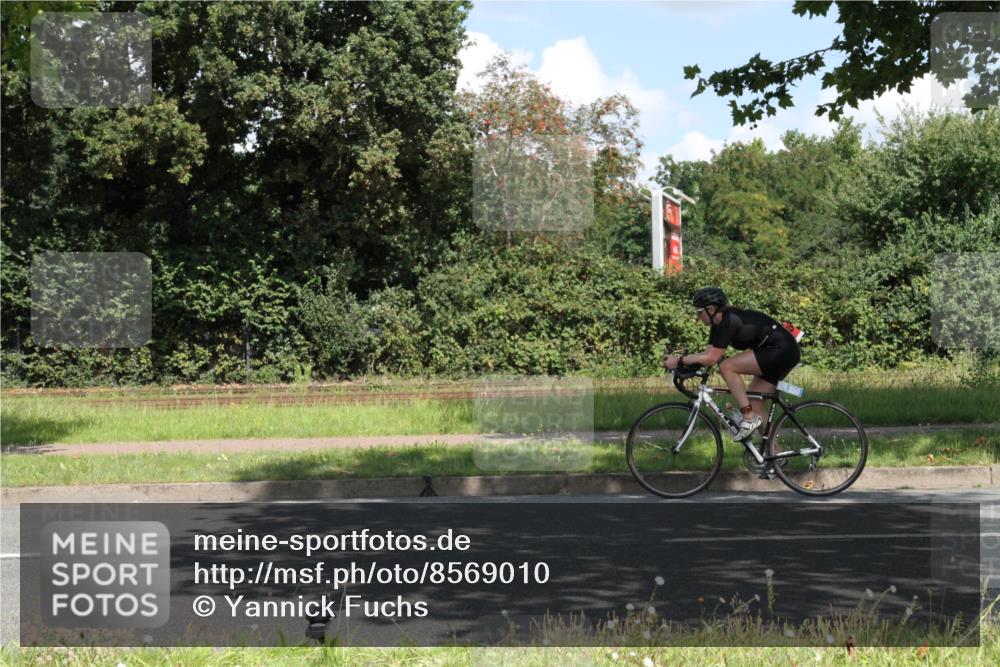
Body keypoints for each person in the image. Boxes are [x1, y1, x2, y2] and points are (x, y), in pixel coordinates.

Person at [662, 287, 801, 441]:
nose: (697, 316)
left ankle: (748, 418)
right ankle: (775, 456)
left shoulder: (729, 320)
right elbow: (706, 355)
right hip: (775, 352)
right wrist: (684, 365)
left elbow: (711, 359)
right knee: (755, 407)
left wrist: (678, 360)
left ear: (711, 309)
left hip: (781, 350)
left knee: (726, 366)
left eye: (699, 312)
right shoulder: (718, 324)